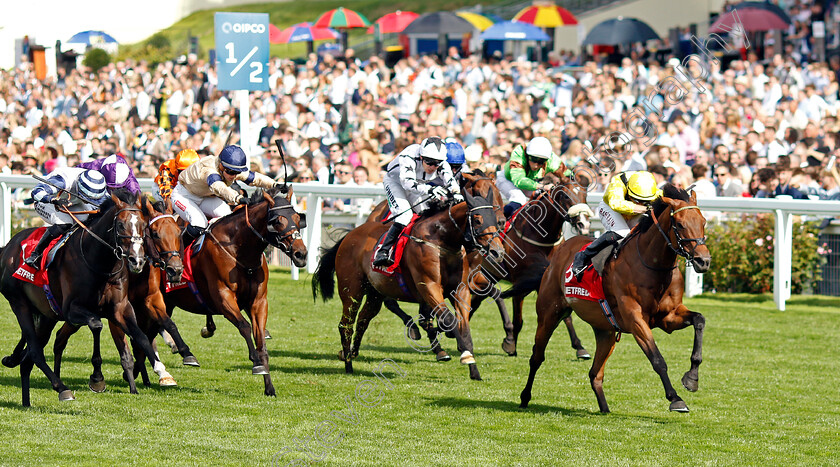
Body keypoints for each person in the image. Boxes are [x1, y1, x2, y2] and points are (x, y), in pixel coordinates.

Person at [373, 137, 463, 267]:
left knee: (426, 213)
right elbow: (407, 183)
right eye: (429, 162)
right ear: (421, 157)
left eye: (437, 163)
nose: (433, 167)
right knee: (405, 216)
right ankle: (383, 251)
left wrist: (457, 193)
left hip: (418, 184)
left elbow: (450, 180)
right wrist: (430, 189)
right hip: (396, 182)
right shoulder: (408, 156)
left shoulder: (441, 162)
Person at [172, 145, 280, 245]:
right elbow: (219, 186)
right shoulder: (208, 169)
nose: (233, 176)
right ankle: (179, 251)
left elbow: (254, 178)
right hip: (183, 196)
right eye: (231, 172)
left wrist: (274, 184)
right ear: (221, 165)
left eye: (236, 173)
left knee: (227, 216)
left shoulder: (230, 167)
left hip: (204, 197)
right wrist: (237, 198)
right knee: (199, 222)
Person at [571, 171, 662, 280]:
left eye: (645, 201)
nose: (641, 203)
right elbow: (616, 204)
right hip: (610, 208)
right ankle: (583, 255)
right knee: (622, 232)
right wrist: (644, 208)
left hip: (633, 213)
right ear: (628, 189)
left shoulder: (654, 191)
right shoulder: (618, 182)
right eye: (638, 200)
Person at [24, 168, 108, 269]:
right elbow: (36, 192)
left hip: (72, 201)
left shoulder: (97, 186)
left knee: (88, 220)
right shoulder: (61, 181)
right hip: (47, 202)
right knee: (65, 223)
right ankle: (36, 254)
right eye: (86, 197)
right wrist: (53, 199)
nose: (88, 201)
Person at [496, 136, 562, 218]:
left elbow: (567, 173)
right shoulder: (519, 152)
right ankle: (499, 221)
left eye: (541, 161)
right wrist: (543, 186)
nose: (536, 165)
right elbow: (518, 181)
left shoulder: (553, 160)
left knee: (542, 196)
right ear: (527, 155)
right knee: (519, 198)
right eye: (533, 159)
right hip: (507, 180)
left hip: (528, 183)